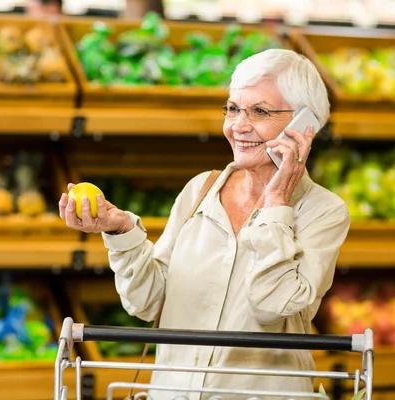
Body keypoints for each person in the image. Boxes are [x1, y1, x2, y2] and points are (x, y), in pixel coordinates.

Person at [59, 48, 351, 399]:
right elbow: (148, 302)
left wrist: (276, 205)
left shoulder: (324, 212)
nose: (239, 126)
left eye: (259, 111)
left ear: (306, 126)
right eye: (232, 108)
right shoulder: (201, 189)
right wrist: (121, 230)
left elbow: (272, 305)